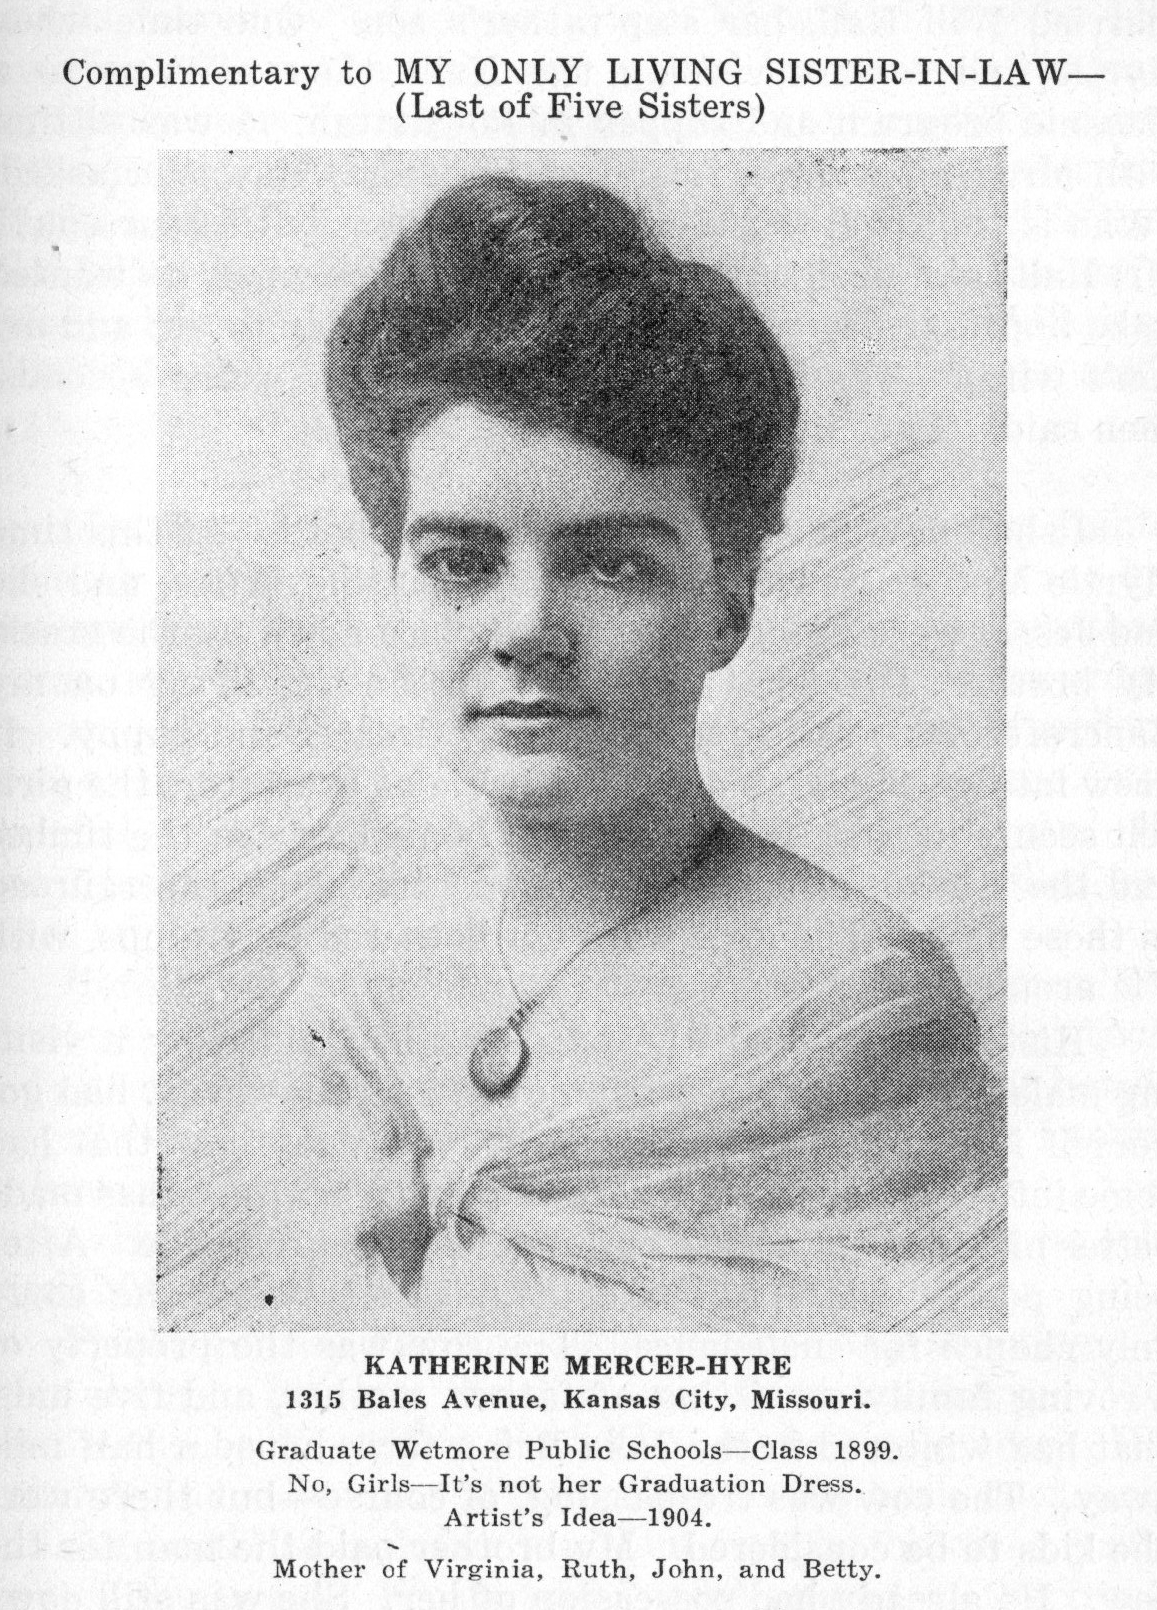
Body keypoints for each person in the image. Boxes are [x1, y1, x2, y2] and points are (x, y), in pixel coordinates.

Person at [160, 174, 1005, 1332]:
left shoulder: (851, 1004)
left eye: (611, 563)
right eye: (461, 562)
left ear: (728, 606)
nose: (526, 629)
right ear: (397, 582)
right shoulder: (352, 999)